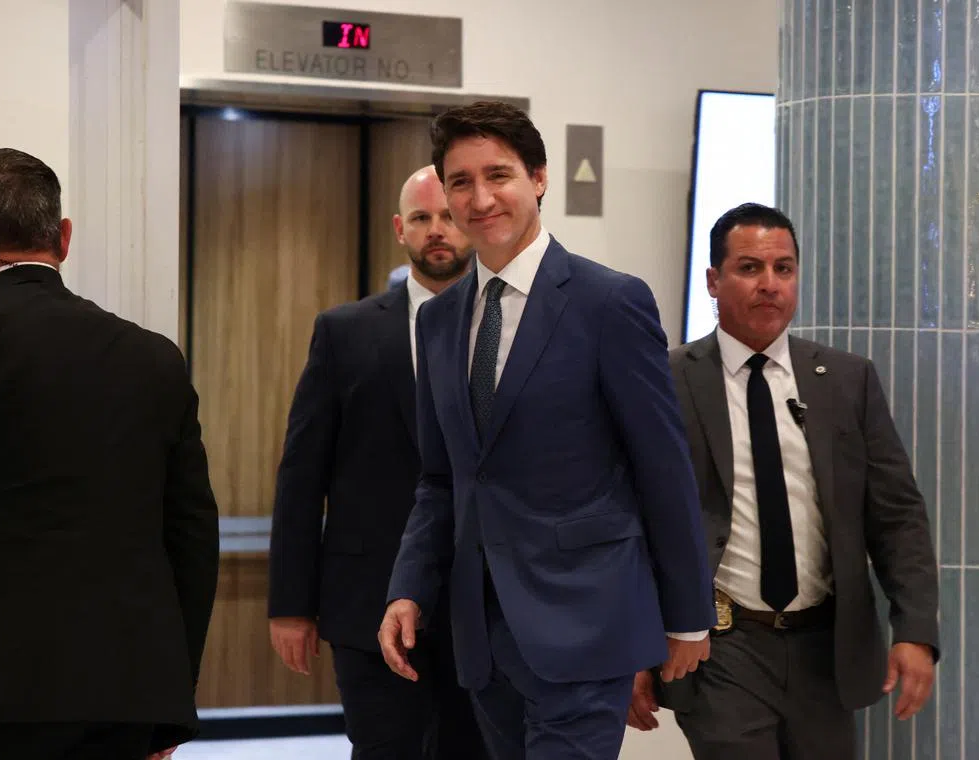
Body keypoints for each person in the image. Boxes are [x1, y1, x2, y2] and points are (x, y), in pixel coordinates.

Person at [378, 101, 715, 760]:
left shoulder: (610, 303)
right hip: (482, 631)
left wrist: (688, 613)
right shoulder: (439, 322)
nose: (480, 198)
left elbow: (663, 468)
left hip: (588, 624)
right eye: (460, 181)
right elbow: (440, 479)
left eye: (497, 175)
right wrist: (409, 586)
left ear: (538, 178)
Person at [0, 148, 220, 760]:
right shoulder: (153, 358)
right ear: (63, 238)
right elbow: (192, 537)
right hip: (124, 697)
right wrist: (170, 699)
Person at [630, 202, 940, 759]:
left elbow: (897, 514)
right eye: (749, 268)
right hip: (721, 645)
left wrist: (915, 628)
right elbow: (631, 520)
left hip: (828, 645)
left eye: (784, 269)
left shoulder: (847, 380)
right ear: (713, 281)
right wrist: (632, 651)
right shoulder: (667, 381)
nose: (769, 284)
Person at [268, 165, 484, 759]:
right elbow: (301, 473)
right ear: (399, 229)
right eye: (421, 218)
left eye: (447, 216)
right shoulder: (345, 332)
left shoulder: (507, 327)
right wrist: (291, 603)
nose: (436, 230)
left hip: (486, 602)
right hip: (366, 596)